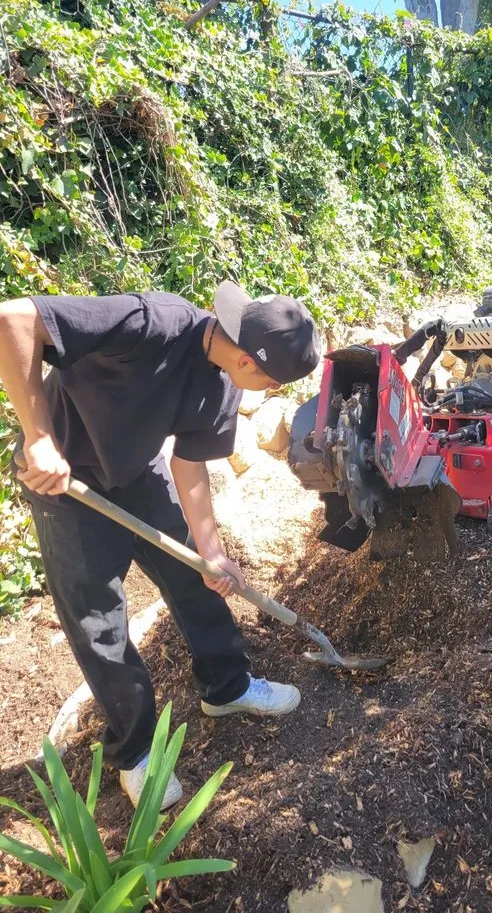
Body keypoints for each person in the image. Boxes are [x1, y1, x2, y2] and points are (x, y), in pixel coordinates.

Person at [0, 282, 321, 809]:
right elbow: (14, 318)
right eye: (273, 383)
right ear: (248, 360)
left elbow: (189, 465)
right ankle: (136, 753)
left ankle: (228, 686)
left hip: (136, 470)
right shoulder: (151, 321)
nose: (269, 391)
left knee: (197, 581)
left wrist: (211, 550)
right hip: (66, 480)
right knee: (99, 621)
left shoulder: (223, 384)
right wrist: (37, 437)